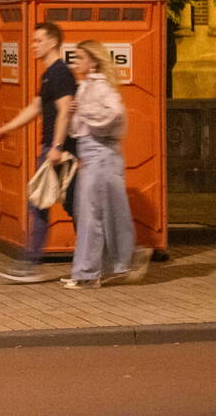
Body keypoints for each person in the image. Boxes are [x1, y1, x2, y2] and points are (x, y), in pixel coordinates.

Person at [0, 22, 77, 283]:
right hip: (52, 148)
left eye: (38, 40)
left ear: (53, 42)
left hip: (60, 151)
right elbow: (36, 107)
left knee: (53, 206)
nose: (33, 45)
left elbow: (65, 111)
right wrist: (6, 128)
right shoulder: (49, 74)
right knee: (57, 206)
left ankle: (29, 265)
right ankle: (31, 264)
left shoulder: (60, 73)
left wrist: (57, 147)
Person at [62, 40, 152, 290]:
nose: (75, 63)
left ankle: (89, 273)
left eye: (80, 58)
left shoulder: (101, 87)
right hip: (91, 155)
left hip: (101, 155)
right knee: (91, 214)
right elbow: (77, 130)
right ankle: (103, 266)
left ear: (93, 61)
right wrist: (73, 113)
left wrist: (84, 112)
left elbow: (115, 114)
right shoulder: (86, 87)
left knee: (92, 216)